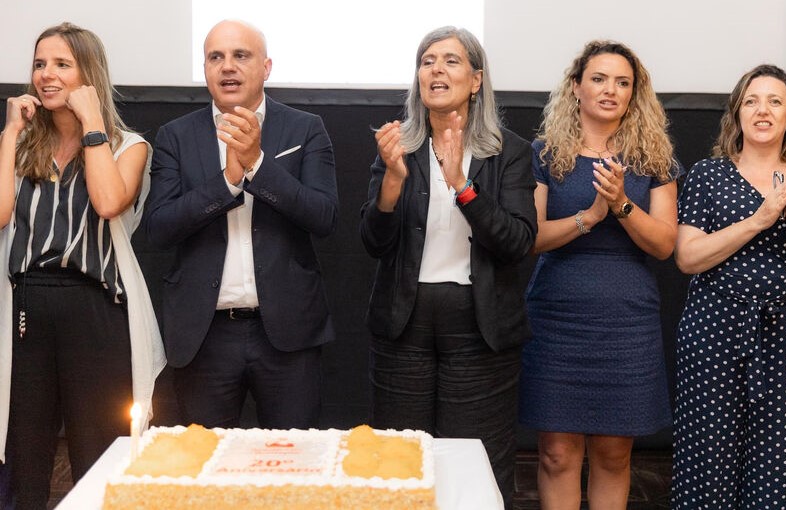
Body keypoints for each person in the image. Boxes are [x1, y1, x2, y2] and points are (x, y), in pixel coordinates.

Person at [359, 26, 536, 508]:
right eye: (427, 61)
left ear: (476, 80)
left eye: (450, 61)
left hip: (480, 328)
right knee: (399, 465)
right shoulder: (397, 145)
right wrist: (392, 182)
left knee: (475, 466)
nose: (436, 69)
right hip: (404, 324)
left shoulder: (510, 151)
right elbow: (373, 242)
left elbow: (517, 242)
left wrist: (462, 184)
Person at [0, 22, 165, 508]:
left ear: (88, 74)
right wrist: (10, 134)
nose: (46, 75)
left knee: (99, 453)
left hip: (95, 309)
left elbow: (109, 201)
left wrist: (92, 120)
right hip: (28, 308)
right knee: (25, 454)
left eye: (61, 64)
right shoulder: (20, 145)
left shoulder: (127, 145)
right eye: (39, 64)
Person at [143, 20, 337, 430]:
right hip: (205, 334)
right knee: (208, 460)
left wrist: (258, 166)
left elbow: (324, 217)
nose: (227, 66)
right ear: (205, 69)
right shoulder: (176, 136)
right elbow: (159, 229)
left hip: (287, 333)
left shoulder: (305, 128)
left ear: (266, 67)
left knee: (291, 457)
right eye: (216, 57)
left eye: (240, 55)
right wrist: (229, 182)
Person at [673, 64, 786, 508]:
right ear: (737, 114)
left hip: (785, 336)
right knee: (707, 461)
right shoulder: (708, 175)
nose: (762, 110)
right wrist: (760, 220)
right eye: (751, 101)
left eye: (774, 102)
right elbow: (688, 257)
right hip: (713, 333)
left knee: (777, 466)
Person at [518, 40, 678, 509]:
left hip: (626, 322)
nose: (611, 90)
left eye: (622, 82)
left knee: (613, 453)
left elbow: (664, 244)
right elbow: (530, 237)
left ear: (634, 94)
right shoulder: (544, 154)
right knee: (556, 454)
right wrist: (589, 216)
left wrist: (621, 205)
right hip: (557, 319)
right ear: (576, 86)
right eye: (599, 79)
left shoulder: (654, 159)